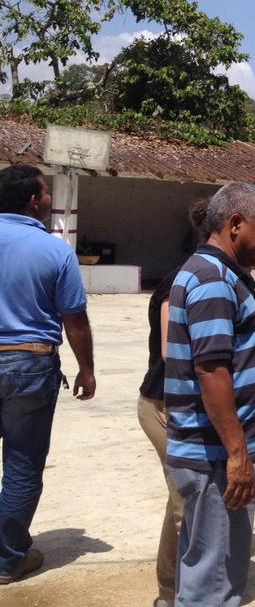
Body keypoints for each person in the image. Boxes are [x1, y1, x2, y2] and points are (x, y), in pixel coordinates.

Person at [165, 182, 255, 606]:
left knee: (206, 565)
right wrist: (237, 453)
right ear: (235, 224)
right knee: (214, 580)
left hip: (216, 452)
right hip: (215, 455)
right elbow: (211, 369)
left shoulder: (217, 274)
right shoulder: (212, 280)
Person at [0, 164, 96, 585]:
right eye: (44, 193)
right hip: (29, 364)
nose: (48, 199)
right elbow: (74, 319)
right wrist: (87, 370)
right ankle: (6, 560)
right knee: (21, 466)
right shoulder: (55, 251)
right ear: (33, 201)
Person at [138, 198, 209, 607]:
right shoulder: (181, 279)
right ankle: (176, 594)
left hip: (182, 407)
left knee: (182, 498)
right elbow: (171, 350)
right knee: (188, 500)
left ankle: (172, 586)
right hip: (164, 407)